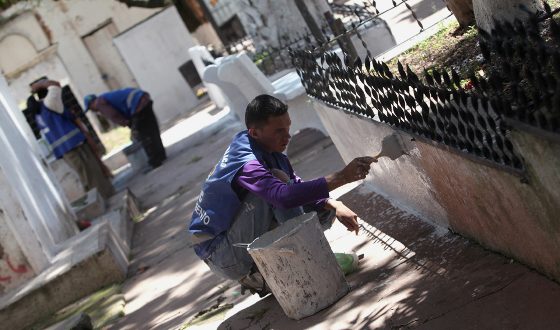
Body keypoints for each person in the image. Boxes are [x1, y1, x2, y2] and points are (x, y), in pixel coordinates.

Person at [188, 94, 375, 295]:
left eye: (287, 128)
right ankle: (305, 262)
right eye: (279, 131)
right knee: (279, 188)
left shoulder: (265, 147)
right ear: (255, 132)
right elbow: (283, 196)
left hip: (234, 238)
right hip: (221, 253)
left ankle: (277, 268)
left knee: (318, 204)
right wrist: (343, 177)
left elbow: (296, 186)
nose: (287, 136)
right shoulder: (246, 162)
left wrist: (333, 203)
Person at [30, 79, 114, 199]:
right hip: (75, 145)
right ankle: (106, 196)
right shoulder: (50, 103)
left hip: (64, 150)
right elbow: (55, 85)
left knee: (85, 176)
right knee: (92, 172)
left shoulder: (38, 112)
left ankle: (98, 199)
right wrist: (40, 84)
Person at [83, 88, 166, 168]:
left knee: (143, 135)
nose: (93, 111)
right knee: (152, 130)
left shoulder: (99, 103)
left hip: (137, 104)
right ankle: (161, 155)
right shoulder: (105, 97)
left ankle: (155, 161)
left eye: (90, 109)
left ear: (91, 104)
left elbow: (113, 115)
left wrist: (128, 124)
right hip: (143, 97)